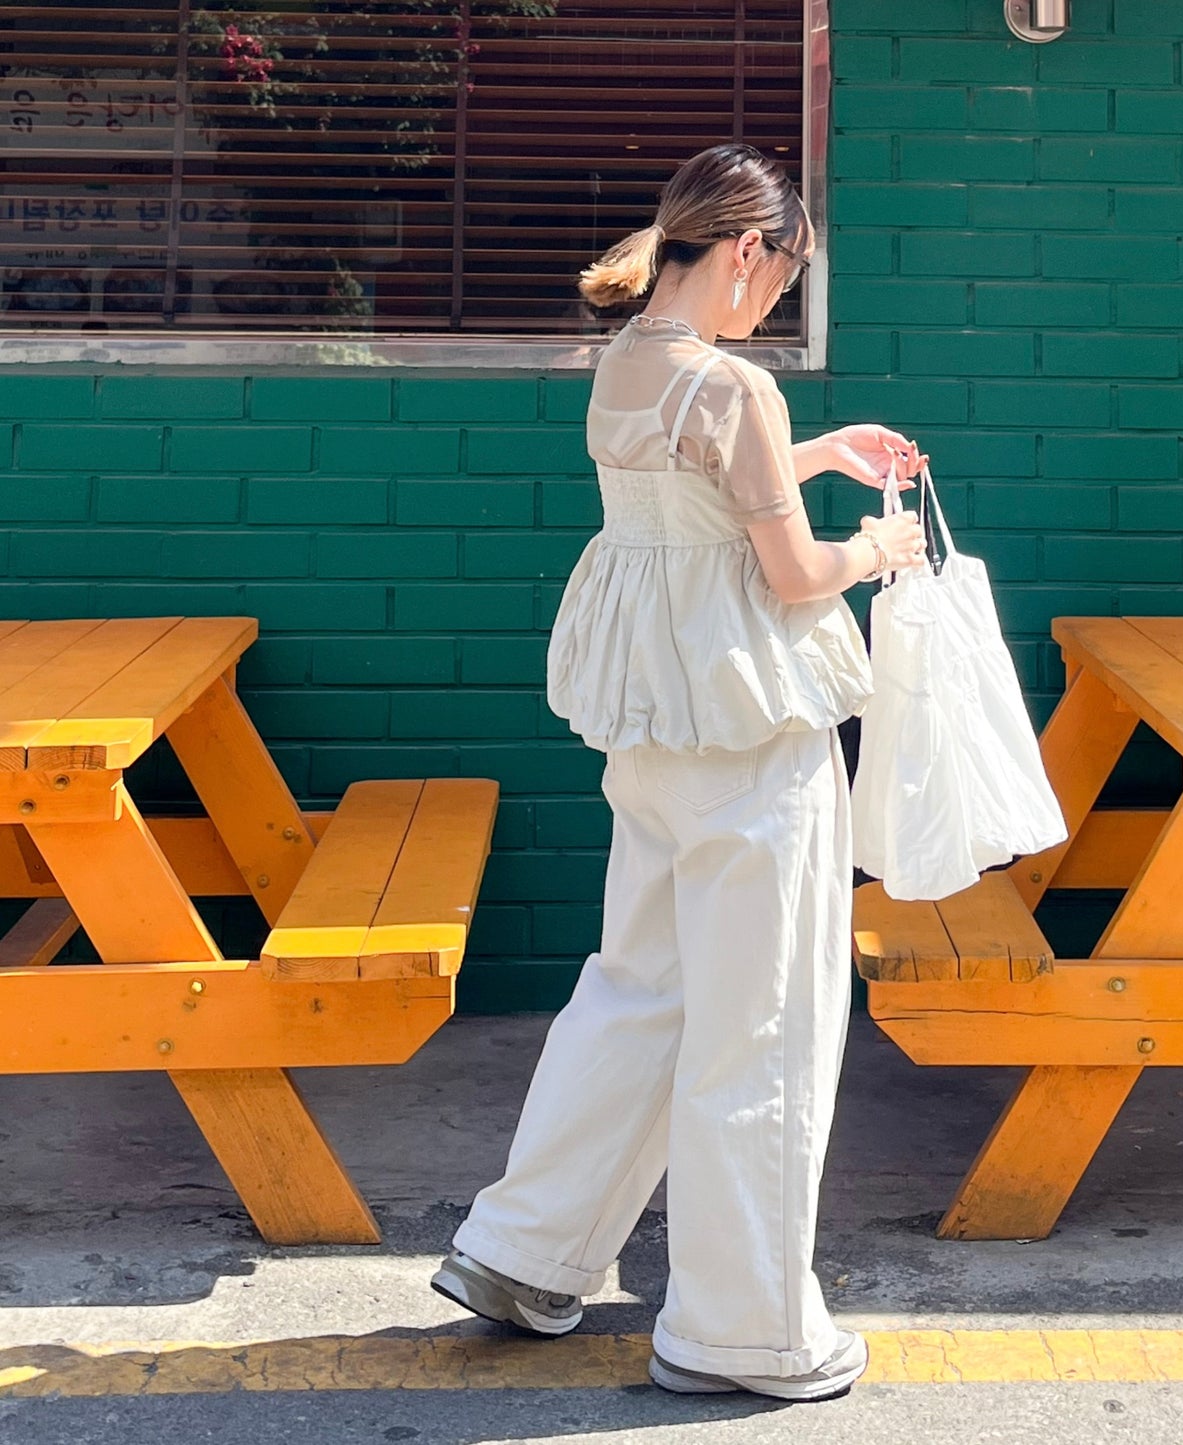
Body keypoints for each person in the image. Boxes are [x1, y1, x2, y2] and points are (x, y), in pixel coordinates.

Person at [433, 143, 928, 1403]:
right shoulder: (733, 388)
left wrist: (819, 454)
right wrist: (874, 544)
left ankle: (525, 1247)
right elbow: (787, 575)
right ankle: (742, 1328)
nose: (777, 304)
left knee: (637, 990)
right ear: (750, 251)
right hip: (753, 744)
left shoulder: (625, 367)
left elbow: (694, 501)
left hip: (653, 739)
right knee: (761, 1025)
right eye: (782, 276)